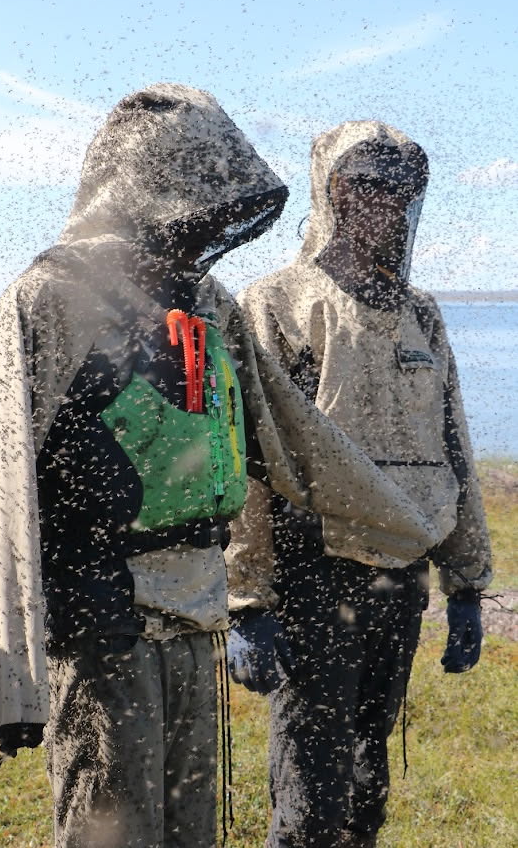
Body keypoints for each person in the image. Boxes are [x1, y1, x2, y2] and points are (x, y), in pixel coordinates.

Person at [0, 93, 440, 848]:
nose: (205, 222)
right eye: (193, 197)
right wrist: (12, 678)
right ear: (145, 185)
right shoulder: (52, 297)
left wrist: (413, 531)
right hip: (102, 618)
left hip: (195, 608)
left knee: (191, 828)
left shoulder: (209, 301)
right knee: (113, 828)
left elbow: (290, 433)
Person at [226, 120, 493, 848]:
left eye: (403, 189)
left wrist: (466, 585)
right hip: (316, 572)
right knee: (309, 794)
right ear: (335, 190)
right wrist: (247, 600)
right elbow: (251, 457)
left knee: (366, 781)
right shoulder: (278, 302)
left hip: (400, 576)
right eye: (372, 185)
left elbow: (452, 446)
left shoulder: (420, 312)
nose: (389, 202)